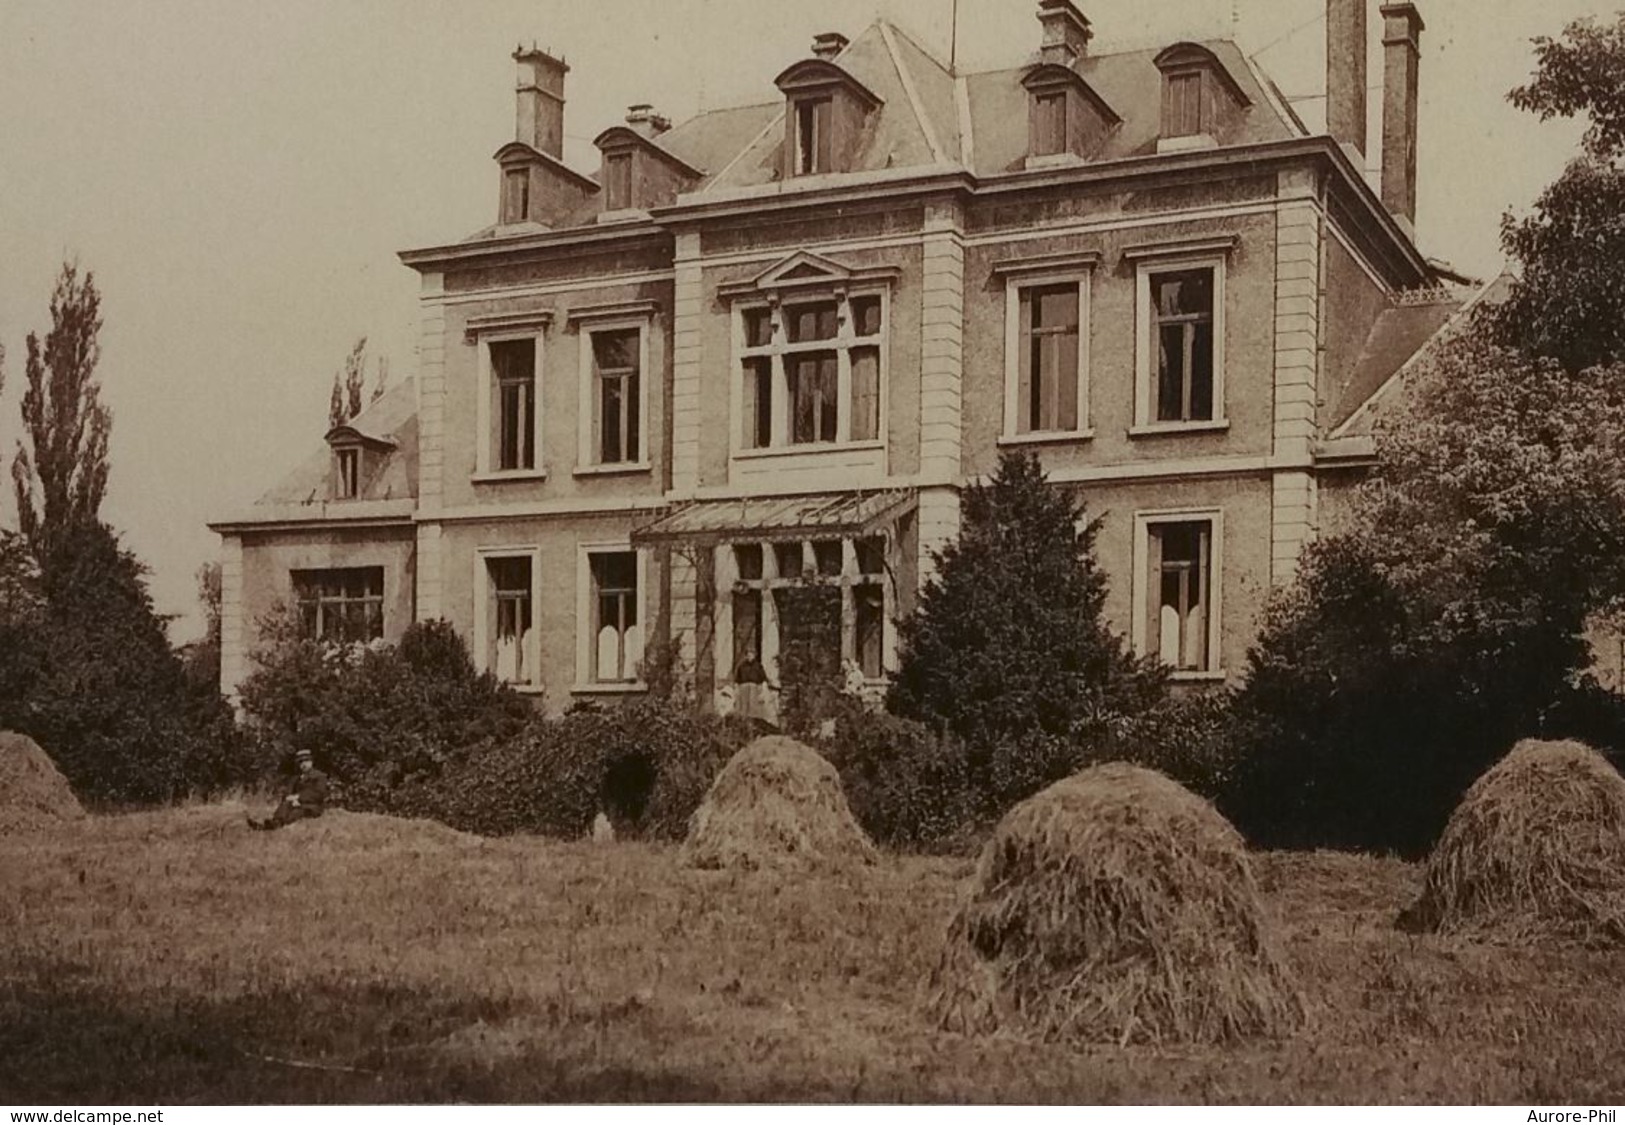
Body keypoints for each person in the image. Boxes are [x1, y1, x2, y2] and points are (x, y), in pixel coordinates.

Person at [249, 749, 330, 830]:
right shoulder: (295, 778)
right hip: (294, 804)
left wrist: (298, 798)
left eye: (306, 761)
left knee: (297, 812)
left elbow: (318, 794)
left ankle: (275, 825)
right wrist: (291, 799)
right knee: (285, 804)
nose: (303, 764)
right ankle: (273, 823)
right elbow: (288, 793)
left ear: (312, 762)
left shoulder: (320, 776)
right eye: (301, 762)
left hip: (312, 806)